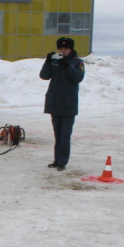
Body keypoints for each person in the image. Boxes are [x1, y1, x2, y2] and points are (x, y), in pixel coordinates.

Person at [40, 37, 85, 171]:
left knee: (65, 135)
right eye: (60, 48)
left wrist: (67, 66)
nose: (62, 51)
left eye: (65, 49)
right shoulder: (55, 61)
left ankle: (62, 161)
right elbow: (44, 76)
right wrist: (48, 62)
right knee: (57, 134)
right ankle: (57, 159)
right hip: (55, 102)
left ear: (71, 49)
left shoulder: (77, 62)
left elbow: (78, 78)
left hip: (68, 104)